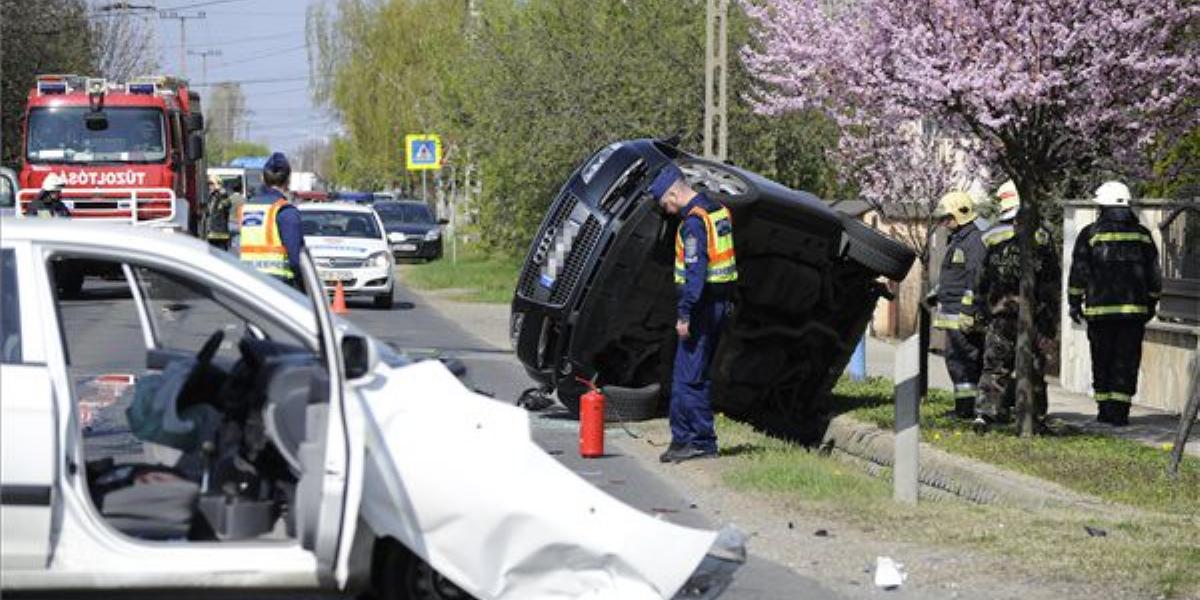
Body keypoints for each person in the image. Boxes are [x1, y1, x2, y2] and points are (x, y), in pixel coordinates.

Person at [649, 163, 737, 463]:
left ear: (674, 191)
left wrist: (685, 314)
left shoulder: (693, 225)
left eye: (666, 203)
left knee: (688, 378)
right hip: (720, 303)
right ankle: (692, 440)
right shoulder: (717, 210)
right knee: (694, 374)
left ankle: (695, 441)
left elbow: (695, 273)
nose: (668, 210)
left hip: (701, 308)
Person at [1067, 181, 1161, 426]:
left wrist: (1074, 302)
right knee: (1127, 361)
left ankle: (1104, 410)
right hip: (1134, 313)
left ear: (1103, 206)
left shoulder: (1091, 234)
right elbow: (1154, 274)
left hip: (1099, 312)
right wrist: (1151, 302)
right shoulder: (1142, 234)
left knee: (1102, 359)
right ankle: (1120, 412)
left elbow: (1079, 272)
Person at [968, 181, 1059, 432]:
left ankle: (985, 414)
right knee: (1034, 367)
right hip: (1035, 317)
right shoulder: (1042, 239)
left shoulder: (992, 239)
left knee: (995, 366)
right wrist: (1051, 318)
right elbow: (1052, 281)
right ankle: (1034, 417)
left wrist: (981, 310)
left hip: (1000, 315)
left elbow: (980, 279)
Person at [929, 191, 987, 419]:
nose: (944, 223)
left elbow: (976, 278)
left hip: (962, 315)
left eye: (947, 218)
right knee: (958, 361)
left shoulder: (973, 242)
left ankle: (966, 410)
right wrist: (938, 293)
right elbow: (956, 276)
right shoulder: (960, 240)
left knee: (963, 362)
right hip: (954, 312)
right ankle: (965, 408)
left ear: (960, 215)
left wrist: (967, 311)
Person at [239, 153, 305, 290]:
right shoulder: (285, 212)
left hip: (247, 284)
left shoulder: (246, 208)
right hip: (279, 288)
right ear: (288, 180)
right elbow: (296, 260)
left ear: (262, 178)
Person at [204, 175, 233, 251]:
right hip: (211, 233)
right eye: (209, 184)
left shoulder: (223, 196)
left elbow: (227, 204)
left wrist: (222, 192)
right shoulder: (211, 196)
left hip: (220, 234)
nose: (209, 186)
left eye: (211, 183)